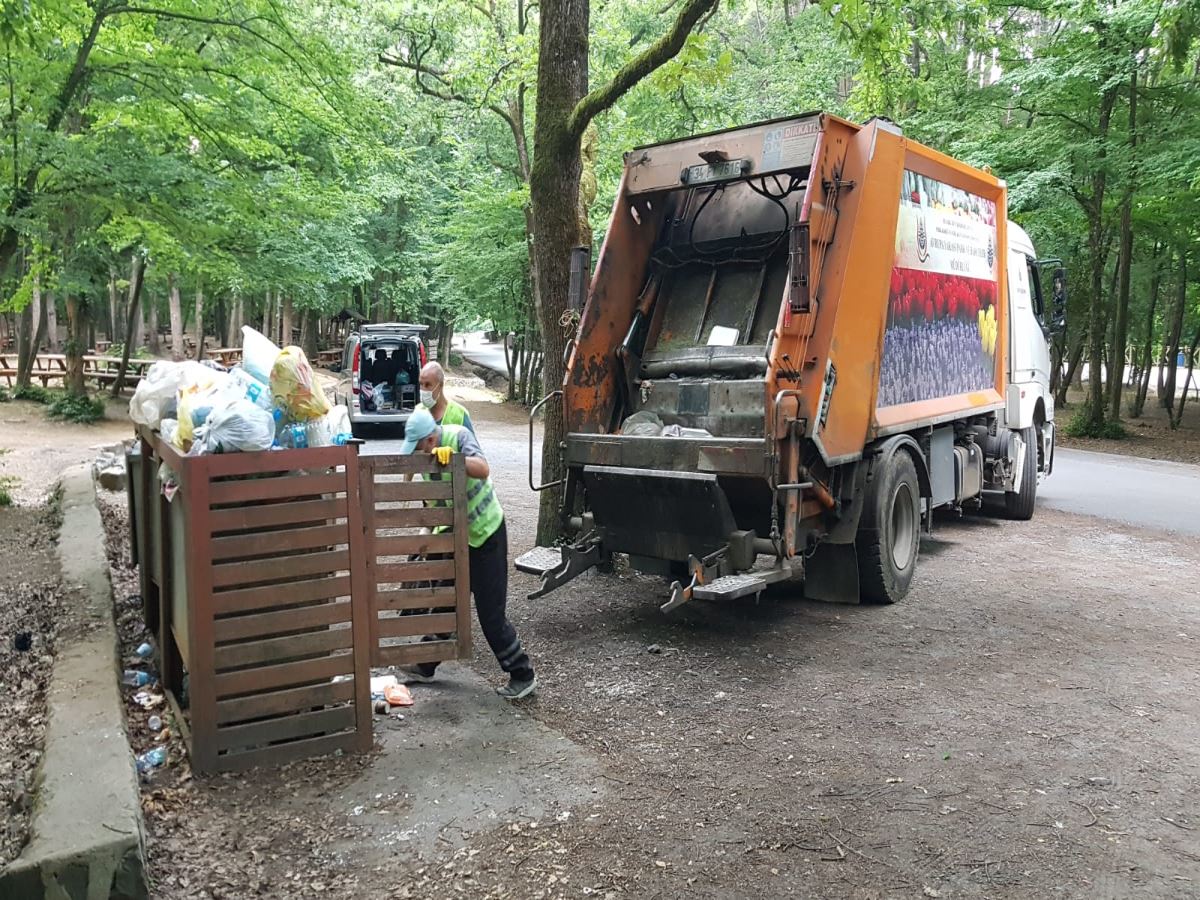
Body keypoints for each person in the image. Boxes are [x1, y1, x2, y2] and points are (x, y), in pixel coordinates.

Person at [396, 406, 536, 699]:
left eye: (418, 449)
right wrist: (425, 546)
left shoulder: (458, 438)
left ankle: (522, 674)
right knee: (448, 602)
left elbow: (483, 468)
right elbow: (436, 510)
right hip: (458, 541)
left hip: (487, 535)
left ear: (431, 441)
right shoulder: (428, 467)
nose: (417, 456)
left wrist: (454, 461)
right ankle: (425, 664)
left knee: (490, 614)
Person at [417, 361, 475, 434]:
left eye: (428, 385)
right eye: (421, 384)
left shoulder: (460, 415)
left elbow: (471, 444)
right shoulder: (418, 413)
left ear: (440, 385)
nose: (423, 390)